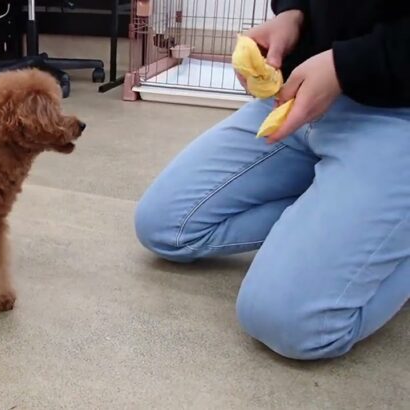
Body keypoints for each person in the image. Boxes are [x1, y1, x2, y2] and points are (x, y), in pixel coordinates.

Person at [134, 0, 410, 360]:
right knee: (164, 225)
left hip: (395, 112)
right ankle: (339, 210)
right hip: (300, 94)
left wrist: (348, 65)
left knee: (289, 323)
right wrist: (292, 14)